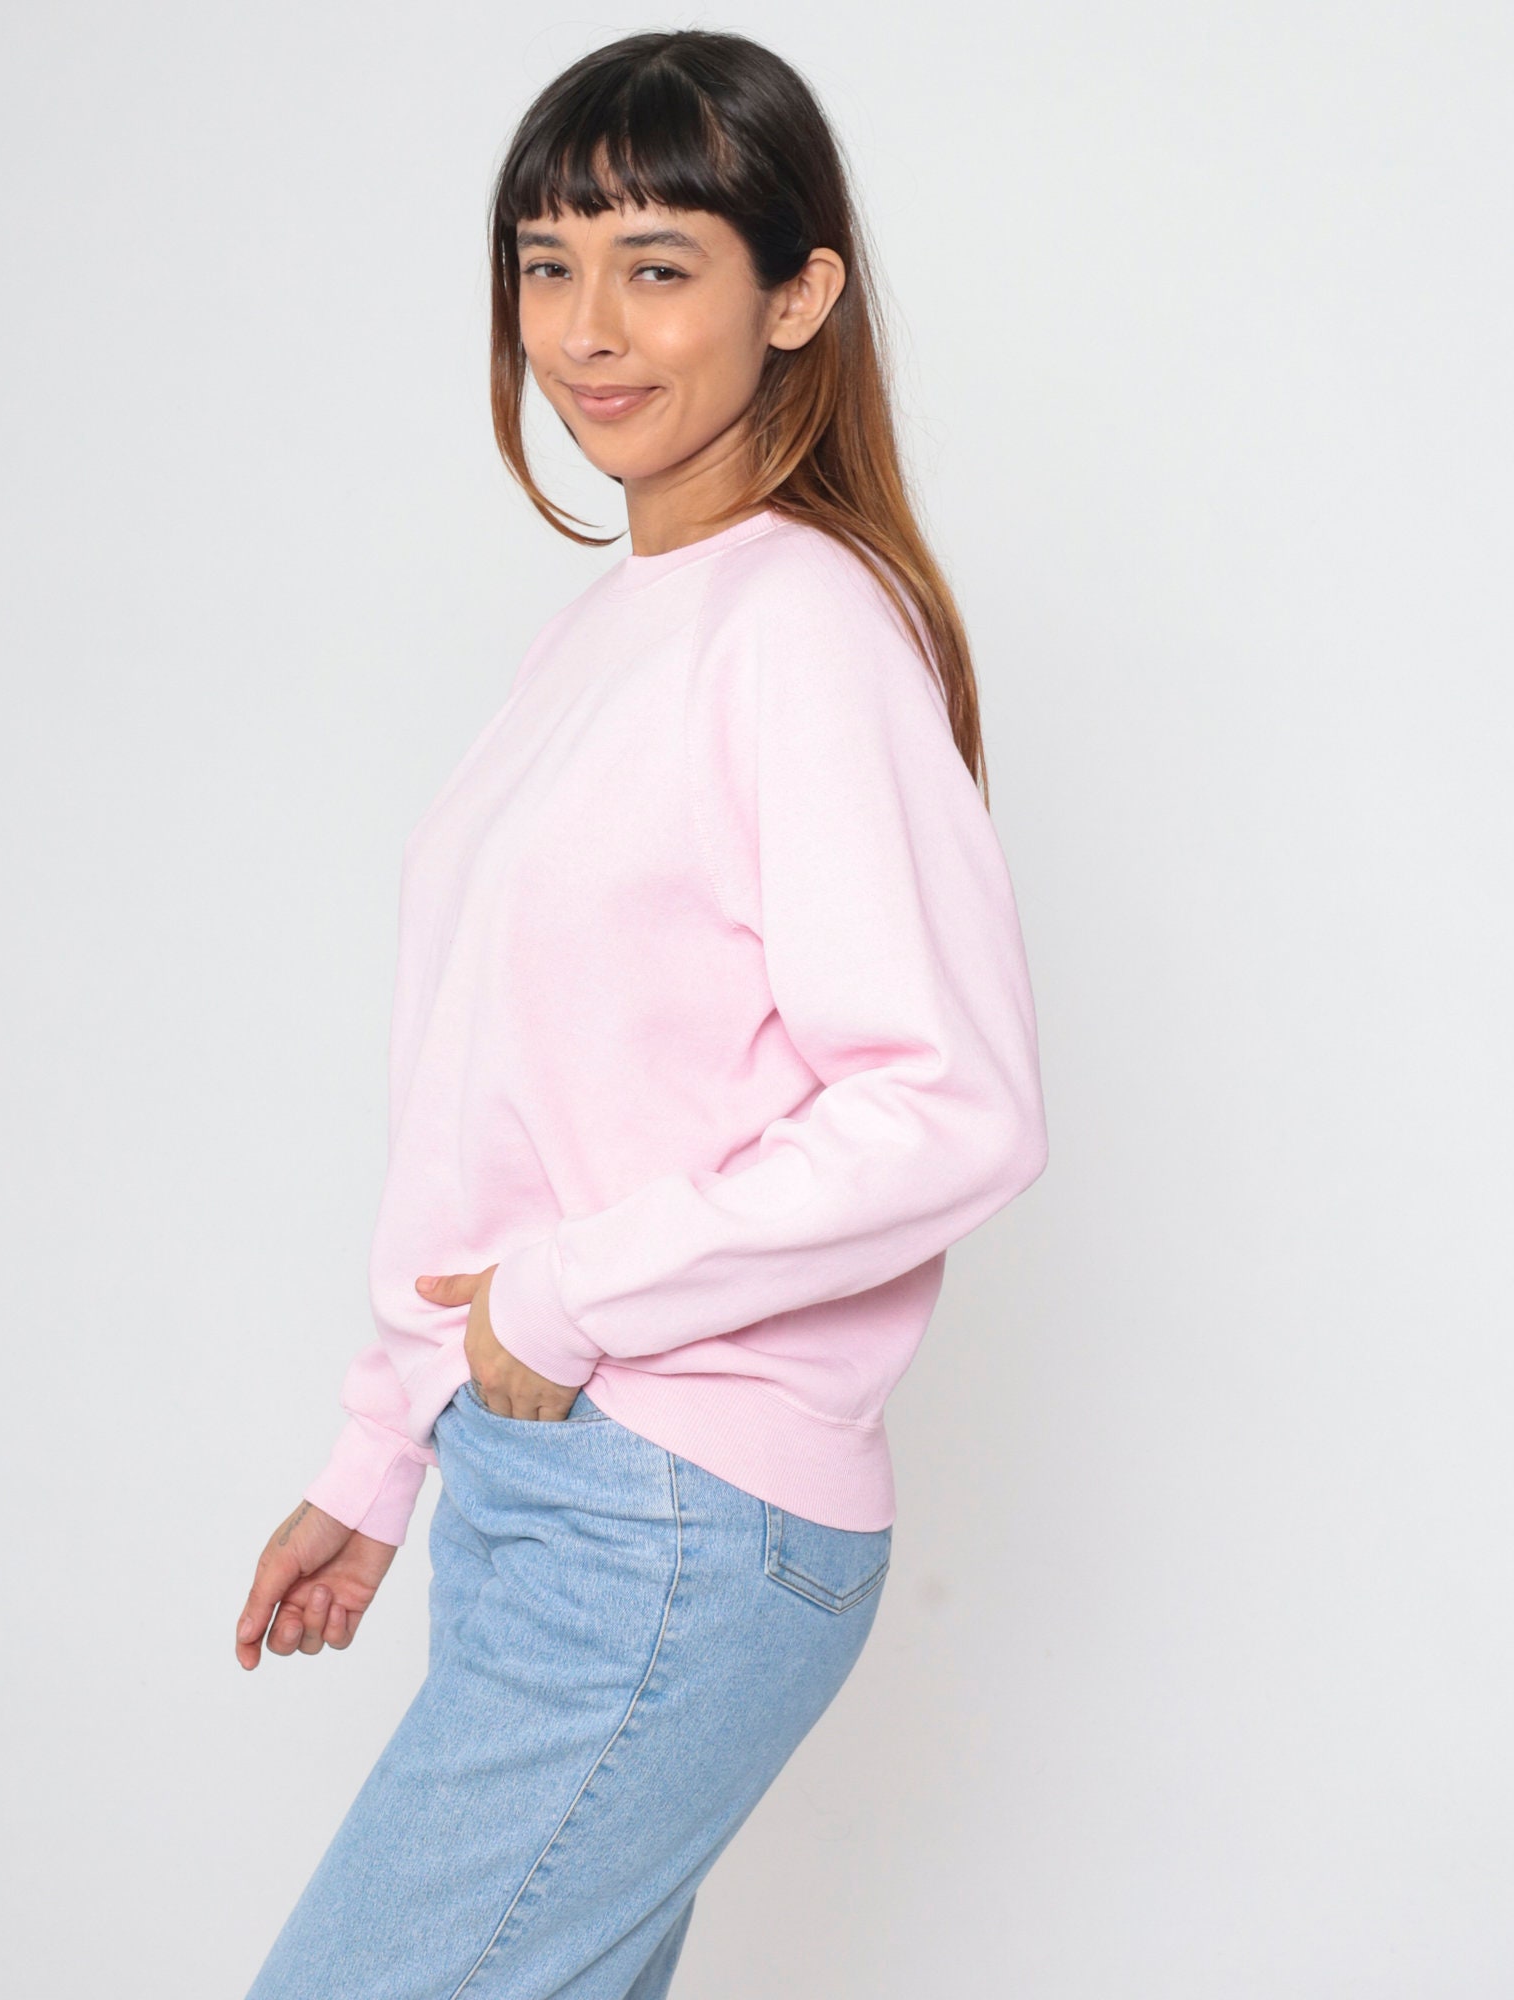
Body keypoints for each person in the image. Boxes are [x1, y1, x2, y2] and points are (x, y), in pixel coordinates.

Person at [235, 28, 1048, 1999]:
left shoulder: (802, 628)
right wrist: (382, 1451)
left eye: (657, 265)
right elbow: (499, 1098)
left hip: (666, 1498)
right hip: (562, 1484)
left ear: (798, 295)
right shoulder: (607, 634)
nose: (586, 330)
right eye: (547, 265)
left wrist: (565, 1302)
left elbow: (949, 1104)